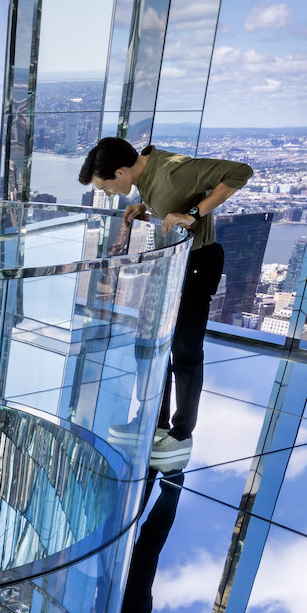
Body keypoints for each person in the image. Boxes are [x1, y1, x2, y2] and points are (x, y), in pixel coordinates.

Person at [78, 138, 252, 472]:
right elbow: (165, 196)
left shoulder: (173, 172)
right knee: (152, 344)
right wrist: (145, 207)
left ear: (119, 171)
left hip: (198, 262)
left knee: (185, 352)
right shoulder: (146, 170)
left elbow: (240, 172)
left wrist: (192, 214)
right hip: (175, 263)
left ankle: (180, 434)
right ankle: (152, 421)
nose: (108, 194)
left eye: (106, 187)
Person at [105, 470, 184, 613]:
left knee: (128, 535)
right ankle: (172, 480)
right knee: (149, 542)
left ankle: (147, 473)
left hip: (121, 612)